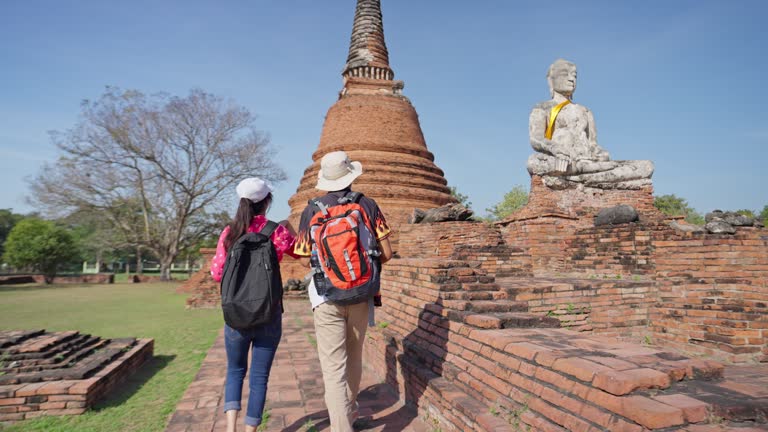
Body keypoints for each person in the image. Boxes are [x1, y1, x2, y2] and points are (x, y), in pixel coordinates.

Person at [293, 151, 393, 432]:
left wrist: (329, 264)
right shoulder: (368, 205)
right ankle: (348, 417)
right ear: (351, 176)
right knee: (354, 358)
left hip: (325, 296)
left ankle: (342, 426)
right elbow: (387, 252)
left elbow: (302, 256)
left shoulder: (312, 209)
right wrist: (362, 263)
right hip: (362, 293)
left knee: (333, 367)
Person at [210, 177, 299, 432]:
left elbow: (217, 274)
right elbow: (302, 252)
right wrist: (289, 228)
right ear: (267, 201)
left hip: (236, 314)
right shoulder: (276, 231)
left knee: (235, 371)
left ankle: (230, 429)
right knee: (259, 377)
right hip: (268, 312)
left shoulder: (230, 232)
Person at [527, 58, 654, 190]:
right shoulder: (543, 107)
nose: (571, 79)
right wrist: (556, 149)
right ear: (551, 80)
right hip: (563, 163)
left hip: (587, 161)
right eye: (565, 74)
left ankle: (578, 180)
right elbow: (536, 139)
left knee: (646, 166)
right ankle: (588, 179)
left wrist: (601, 153)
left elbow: (592, 144)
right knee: (534, 163)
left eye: (574, 76)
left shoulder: (585, 111)